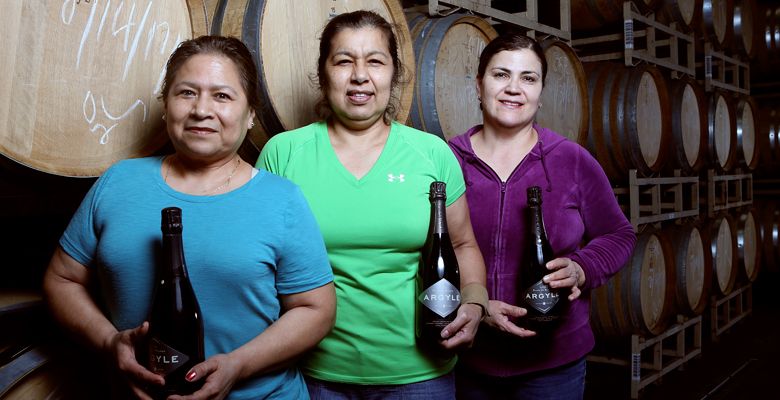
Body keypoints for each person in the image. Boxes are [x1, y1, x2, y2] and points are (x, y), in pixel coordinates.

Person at [42, 36, 336, 400]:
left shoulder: (281, 199)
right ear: (166, 105)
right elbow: (62, 279)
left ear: (250, 115)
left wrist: (238, 365)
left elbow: (316, 310)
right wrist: (108, 342)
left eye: (222, 96)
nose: (201, 110)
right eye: (186, 93)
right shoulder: (119, 182)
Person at [257, 10, 489, 399]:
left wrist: (475, 301)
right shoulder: (283, 154)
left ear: (394, 74)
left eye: (375, 62)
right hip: (313, 373)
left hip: (420, 375)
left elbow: (464, 245)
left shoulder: (431, 154)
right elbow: (259, 262)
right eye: (344, 61)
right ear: (323, 71)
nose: (360, 75)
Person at [448, 33, 637, 399]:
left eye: (528, 78)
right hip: (466, 357)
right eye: (501, 75)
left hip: (554, 364)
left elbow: (619, 234)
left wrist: (583, 267)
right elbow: (422, 251)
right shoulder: (447, 161)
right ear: (478, 84)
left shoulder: (572, 160)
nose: (514, 88)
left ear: (541, 91)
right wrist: (475, 303)